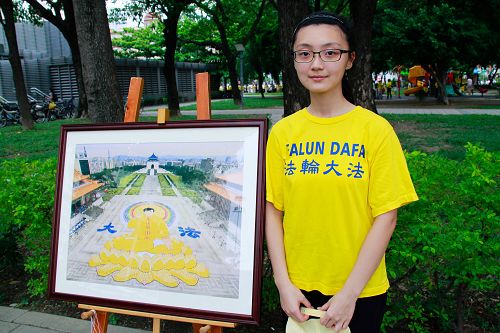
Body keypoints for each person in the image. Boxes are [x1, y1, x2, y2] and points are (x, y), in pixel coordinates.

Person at [265, 11, 418, 333]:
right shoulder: (283, 133)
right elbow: (273, 209)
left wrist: (350, 294)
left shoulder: (375, 130)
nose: (316, 64)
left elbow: (386, 216)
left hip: (360, 290)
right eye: (305, 53)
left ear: (350, 60)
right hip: (298, 289)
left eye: (330, 52)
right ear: (293, 60)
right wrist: (283, 283)